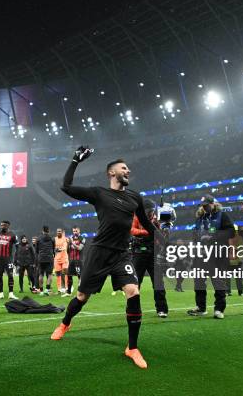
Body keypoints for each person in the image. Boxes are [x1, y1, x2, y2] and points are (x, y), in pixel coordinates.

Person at [50, 146, 159, 370]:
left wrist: (158, 234)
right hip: (99, 252)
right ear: (112, 173)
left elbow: (145, 223)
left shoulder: (135, 197)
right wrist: (74, 161)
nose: (128, 171)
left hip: (122, 254)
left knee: (133, 292)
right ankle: (65, 323)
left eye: (128, 168)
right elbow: (66, 186)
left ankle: (132, 347)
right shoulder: (99, 193)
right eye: (124, 168)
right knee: (82, 297)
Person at [187, 194, 235, 319]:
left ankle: (219, 309)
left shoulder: (222, 216)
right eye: (203, 206)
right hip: (201, 254)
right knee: (198, 281)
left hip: (217, 254)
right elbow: (195, 233)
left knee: (218, 281)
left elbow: (231, 232)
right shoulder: (200, 218)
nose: (205, 207)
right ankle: (201, 307)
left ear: (213, 204)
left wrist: (213, 237)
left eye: (207, 205)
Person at [130, 200, 169, 317]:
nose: (150, 214)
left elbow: (162, 234)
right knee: (135, 284)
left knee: (158, 283)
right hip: (138, 253)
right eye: (149, 212)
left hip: (153, 253)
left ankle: (162, 309)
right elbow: (132, 230)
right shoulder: (136, 217)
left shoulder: (156, 219)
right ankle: (133, 309)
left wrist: (163, 230)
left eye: (151, 211)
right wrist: (148, 231)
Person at [226, 225, 243, 297]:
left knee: (234, 278)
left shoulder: (230, 239)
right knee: (235, 278)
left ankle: (230, 292)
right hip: (232, 261)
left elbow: (242, 249)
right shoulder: (238, 238)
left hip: (235, 261)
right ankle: (238, 292)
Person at [65, 226, 85, 297]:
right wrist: (68, 243)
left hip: (79, 261)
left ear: (79, 231)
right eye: (73, 231)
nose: (75, 232)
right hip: (72, 261)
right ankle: (68, 292)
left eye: (76, 231)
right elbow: (68, 250)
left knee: (80, 277)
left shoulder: (82, 238)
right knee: (69, 276)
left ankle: (80, 293)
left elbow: (79, 248)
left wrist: (72, 243)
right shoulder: (71, 238)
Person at [36, 226, 55, 295]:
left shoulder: (38, 239)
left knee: (41, 274)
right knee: (50, 274)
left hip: (41, 258)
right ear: (49, 231)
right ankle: (47, 289)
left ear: (42, 231)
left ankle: (41, 291)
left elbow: (36, 250)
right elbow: (53, 248)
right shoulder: (52, 239)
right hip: (49, 258)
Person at [54, 228, 69, 294]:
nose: (58, 232)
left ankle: (66, 287)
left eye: (60, 231)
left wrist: (60, 249)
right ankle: (59, 289)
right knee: (58, 274)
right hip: (57, 259)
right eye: (57, 231)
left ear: (62, 232)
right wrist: (55, 250)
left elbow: (65, 247)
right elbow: (53, 248)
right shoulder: (54, 239)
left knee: (64, 272)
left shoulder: (65, 239)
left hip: (64, 258)